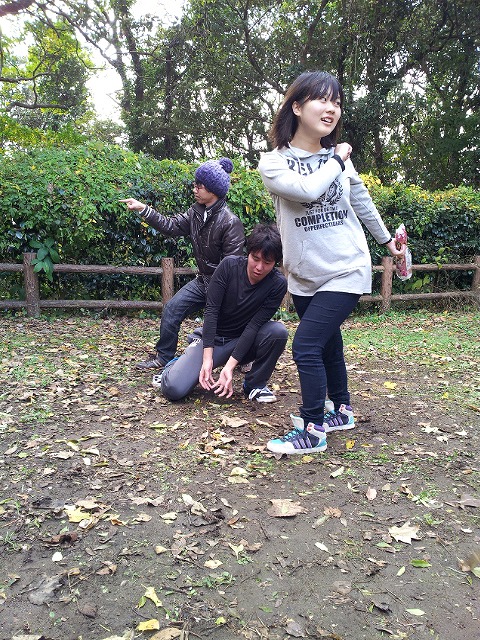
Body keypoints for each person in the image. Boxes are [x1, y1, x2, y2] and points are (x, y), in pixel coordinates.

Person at [258, 70, 405, 454]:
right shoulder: (273, 163)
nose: (332, 108)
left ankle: (312, 430)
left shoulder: (337, 159)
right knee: (327, 344)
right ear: (297, 106)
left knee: (306, 345)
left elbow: (361, 201)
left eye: (337, 102)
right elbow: (306, 190)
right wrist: (338, 159)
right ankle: (341, 410)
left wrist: (387, 241)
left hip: (346, 266)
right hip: (304, 275)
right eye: (322, 100)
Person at [120, 157, 245, 372]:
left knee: (232, 325)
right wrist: (143, 209)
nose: (194, 189)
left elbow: (232, 266)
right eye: (195, 184)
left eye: (199, 186)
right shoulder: (195, 213)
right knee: (172, 309)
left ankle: (245, 357)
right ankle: (163, 357)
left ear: (213, 190)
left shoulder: (230, 222)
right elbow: (170, 226)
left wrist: (220, 294)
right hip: (203, 281)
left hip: (225, 287)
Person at [158, 224, 288, 403]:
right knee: (173, 389)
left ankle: (255, 385)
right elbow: (211, 311)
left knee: (278, 332)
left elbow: (255, 325)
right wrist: (207, 359)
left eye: (267, 263)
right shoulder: (229, 266)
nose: (259, 267)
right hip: (214, 339)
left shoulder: (277, 284)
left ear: (275, 263)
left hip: (244, 340)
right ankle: (174, 365)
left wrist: (229, 367)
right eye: (255, 258)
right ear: (248, 253)